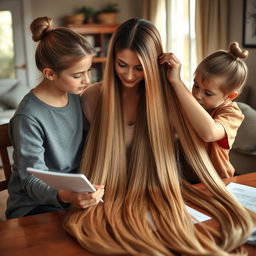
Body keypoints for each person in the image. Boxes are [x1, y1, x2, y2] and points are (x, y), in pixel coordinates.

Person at [63, 18, 256, 255]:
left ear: (154, 65)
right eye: (122, 64)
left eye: (140, 67)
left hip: (165, 193)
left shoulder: (173, 102)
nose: (130, 76)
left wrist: (175, 81)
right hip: (107, 196)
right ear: (112, 58)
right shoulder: (92, 97)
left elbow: (206, 135)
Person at [6, 17, 104, 219]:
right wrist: (66, 196)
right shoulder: (28, 116)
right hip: (33, 206)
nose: (87, 80)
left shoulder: (77, 100)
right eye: (78, 75)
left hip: (70, 199)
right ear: (50, 74)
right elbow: (31, 181)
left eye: (88, 71)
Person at [160, 42, 247, 180]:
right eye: (196, 85)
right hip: (186, 180)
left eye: (208, 93)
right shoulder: (188, 103)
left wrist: (177, 82)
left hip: (218, 181)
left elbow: (209, 133)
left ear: (230, 96)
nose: (197, 95)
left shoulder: (232, 113)